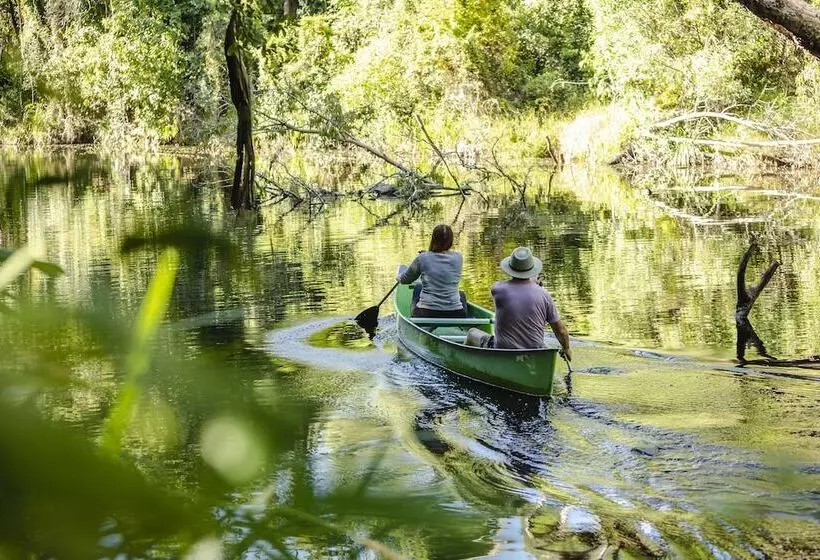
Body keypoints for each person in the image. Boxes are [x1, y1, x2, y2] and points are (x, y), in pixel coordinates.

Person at [466, 247, 571, 360]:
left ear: (511, 268)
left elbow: (509, 287)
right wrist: (566, 348)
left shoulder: (498, 289)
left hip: (503, 351)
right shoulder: (544, 295)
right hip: (534, 353)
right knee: (543, 344)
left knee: (472, 333)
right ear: (532, 270)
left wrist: (532, 282)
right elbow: (560, 330)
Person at [397, 224, 468, 318]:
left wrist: (398, 277)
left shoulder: (422, 258)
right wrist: (427, 254)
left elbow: (406, 279)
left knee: (418, 287)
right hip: (456, 313)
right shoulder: (458, 258)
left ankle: (415, 320)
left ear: (433, 239)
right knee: (461, 294)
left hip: (426, 312)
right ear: (451, 241)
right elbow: (440, 258)